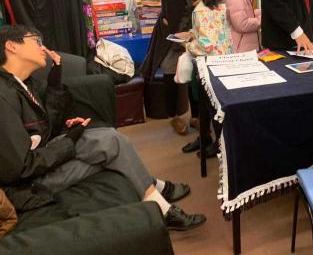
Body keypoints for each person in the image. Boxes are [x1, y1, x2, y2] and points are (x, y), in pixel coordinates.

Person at [0, 25, 205, 231]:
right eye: (36, 40)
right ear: (11, 46)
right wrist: (70, 140)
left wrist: (56, 76)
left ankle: (156, 192)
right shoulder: (3, 96)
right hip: (30, 186)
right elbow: (23, 167)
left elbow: (46, 125)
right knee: (111, 143)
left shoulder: (25, 84)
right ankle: (161, 204)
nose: (43, 47)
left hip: (43, 166)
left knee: (109, 145)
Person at [137, 0, 211, 135]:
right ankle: (174, 117)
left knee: (196, 77)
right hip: (170, 36)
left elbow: (210, 5)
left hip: (196, 36)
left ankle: (195, 116)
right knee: (170, 74)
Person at [180, 0, 233, 157]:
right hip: (226, 61)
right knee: (221, 107)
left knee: (212, 110)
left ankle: (219, 146)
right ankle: (223, 144)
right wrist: (194, 34)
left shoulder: (200, 10)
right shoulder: (220, 5)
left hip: (210, 66)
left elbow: (207, 44)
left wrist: (187, 45)